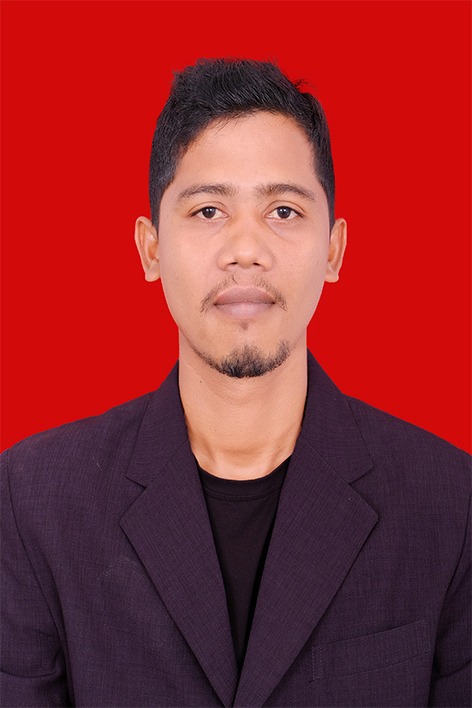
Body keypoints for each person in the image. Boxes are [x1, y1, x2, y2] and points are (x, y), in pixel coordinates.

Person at [1, 58, 470, 708]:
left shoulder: (448, 503)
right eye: (208, 210)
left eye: (283, 210)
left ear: (334, 250)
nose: (245, 248)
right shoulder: (35, 502)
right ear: (150, 248)